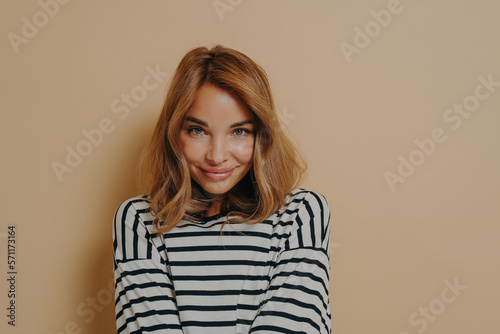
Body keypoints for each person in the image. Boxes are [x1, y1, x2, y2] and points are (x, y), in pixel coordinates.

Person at [113, 45, 332, 333]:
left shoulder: (301, 215)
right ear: (174, 133)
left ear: (262, 137)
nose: (217, 156)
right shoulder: (139, 220)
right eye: (198, 130)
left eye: (239, 131)